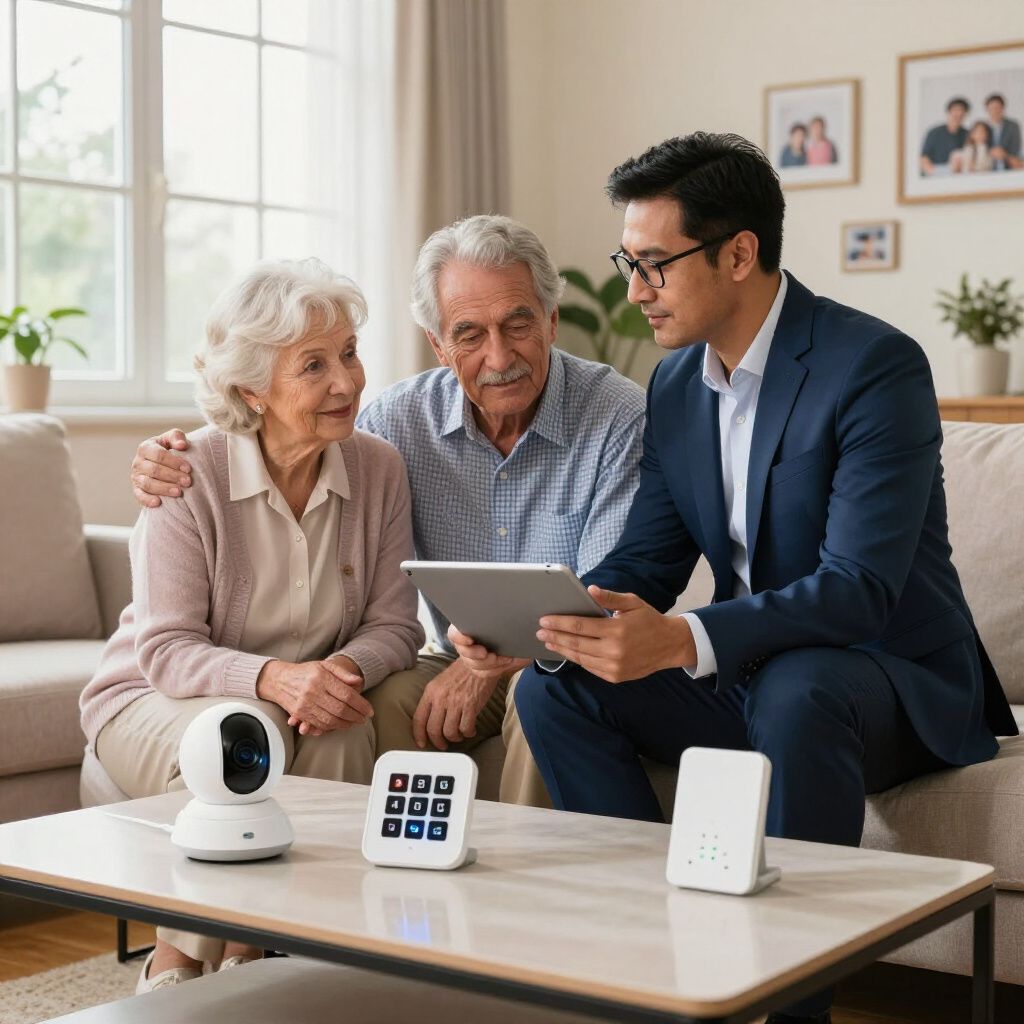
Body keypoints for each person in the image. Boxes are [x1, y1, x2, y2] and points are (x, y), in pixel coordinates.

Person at [454, 133, 1017, 1024]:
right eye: (627, 264)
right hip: (757, 676)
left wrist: (681, 638)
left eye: (654, 265)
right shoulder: (676, 385)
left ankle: (790, 1003)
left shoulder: (872, 366)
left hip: (890, 679)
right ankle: (650, 965)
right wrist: (545, 621)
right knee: (558, 689)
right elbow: (647, 559)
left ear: (740, 253)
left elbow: (860, 586)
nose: (635, 290)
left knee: (801, 685)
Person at [129, 215, 647, 808]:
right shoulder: (397, 425)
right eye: (470, 333)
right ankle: (396, 878)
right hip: (449, 659)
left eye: (518, 323)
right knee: (375, 706)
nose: (499, 355)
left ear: (552, 321)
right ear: (439, 344)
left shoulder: (616, 418)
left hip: (568, 663)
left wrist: (482, 671)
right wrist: (157, 459)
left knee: (541, 697)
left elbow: (603, 604)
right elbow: (262, 439)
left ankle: (525, 891)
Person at [81, 259, 423, 992]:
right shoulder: (187, 472)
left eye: (350, 353)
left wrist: (341, 672)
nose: (347, 381)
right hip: (152, 695)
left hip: (297, 694)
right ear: (250, 390)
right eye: (313, 365)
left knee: (341, 720)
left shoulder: (379, 469)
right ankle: (180, 959)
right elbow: (167, 650)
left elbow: (397, 624)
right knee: (238, 729)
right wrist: (274, 677)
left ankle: (293, 944)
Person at [919, 97, 969, 175]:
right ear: (948, 112)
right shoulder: (934, 132)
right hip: (935, 175)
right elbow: (923, 158)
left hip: (958, 177)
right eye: (956, 110)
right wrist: (934, 173)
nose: (959, 113)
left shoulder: (968, 134)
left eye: (962, 110)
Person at [985, 92, 1023, 170]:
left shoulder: (1013, 126)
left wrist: (1004, 155)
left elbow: (1016, 149)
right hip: (988, 168)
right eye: (992, 108)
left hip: (1009, 166)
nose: (995, 111)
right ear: (987, 109)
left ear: (1003, 108)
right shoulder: (983, 127)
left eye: (998, 108)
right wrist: (991, 152)